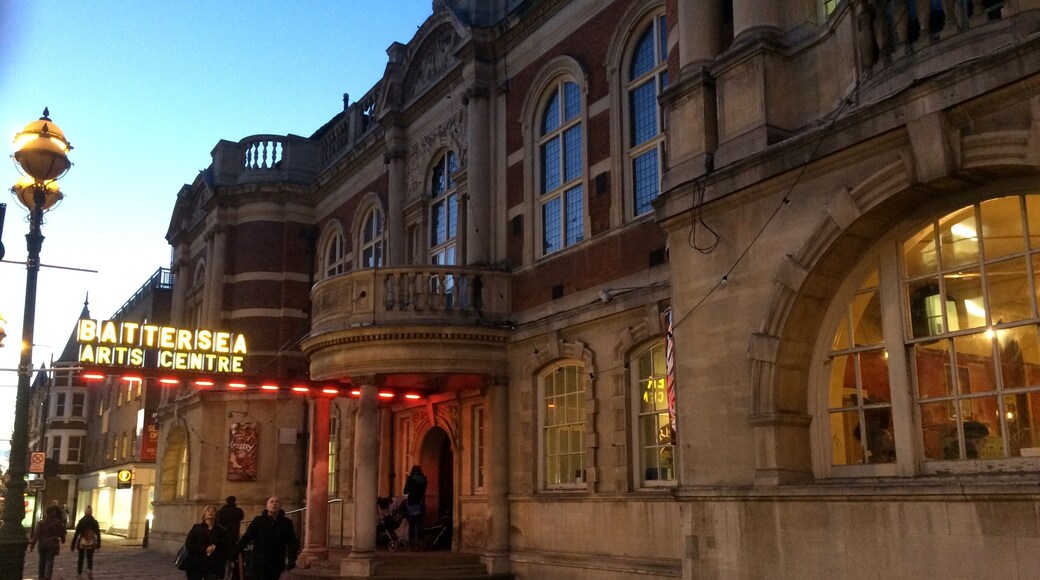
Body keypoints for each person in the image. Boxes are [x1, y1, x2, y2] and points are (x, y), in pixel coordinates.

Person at [236, 497, 299, 580]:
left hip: (276, 562)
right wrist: (236, 551)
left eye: (277, 502)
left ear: (280, 506)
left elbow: (291, 541)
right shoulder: (258, 521)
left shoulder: (286, 522)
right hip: (260, 562)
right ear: (267, 506)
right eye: (271, 502)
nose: (274, 504)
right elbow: (247, 537)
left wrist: (292, 557)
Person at [184, 504, 230, 580]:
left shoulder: (221, 531)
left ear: (216, 515)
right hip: (196, 565)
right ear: (204, 515)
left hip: (212, 566)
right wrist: (205, 549)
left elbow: (224, 551)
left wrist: (221, 570)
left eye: (213, 511)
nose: (211, 512)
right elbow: (189, 545)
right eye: (208, 510)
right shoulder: (197, 528)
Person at [30, 505, 67, 580]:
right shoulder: (57, 522)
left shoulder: (41, 523)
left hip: (42, 543)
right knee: (49, 560)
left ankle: (41, 576)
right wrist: (62, 538)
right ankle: (47, 576)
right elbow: (62, 532)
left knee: (42, 560)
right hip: (52, 543)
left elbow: (37, 534)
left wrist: (33, 544)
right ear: (52, 513)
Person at [216, 496, 244, 578]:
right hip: (234, 536)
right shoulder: (238, 511)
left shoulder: (221, 511)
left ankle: (221, 575)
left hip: (223, 536)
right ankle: (233, 574)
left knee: (222, 558)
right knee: (234, 557)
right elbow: (241, 518)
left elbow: (219, 521)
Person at [71, 505, 102, 579]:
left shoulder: (81, 521)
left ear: (85, 512)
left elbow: (77, 533)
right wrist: (99, 543)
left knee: (81, 558)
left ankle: (79, 574)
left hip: (82, 541)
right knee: (90, 557)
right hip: (91, 541)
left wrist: (73, 543)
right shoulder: (94, 522)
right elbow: (98, 533)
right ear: (91, 512)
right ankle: (89, 569)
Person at [402, 465, 427, 549]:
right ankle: (421, 544)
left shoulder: (410, 479)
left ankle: (411, 544)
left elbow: (405, 491)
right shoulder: (424, 480)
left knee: (412, 524)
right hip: (421, 503)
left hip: (412, 503)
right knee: (420, 524)